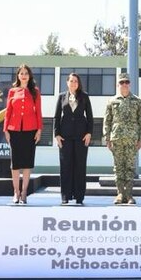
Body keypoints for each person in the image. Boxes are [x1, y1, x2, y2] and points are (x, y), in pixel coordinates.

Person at [103, 73, 141, 205]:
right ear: (118, 85)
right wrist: (107, 138)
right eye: (122, 82)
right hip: (117, 139)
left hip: (132, 139)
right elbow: (107, 121)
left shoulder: (137, 101)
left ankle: (129, 194)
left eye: (126, 82)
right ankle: (120, 193)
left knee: (130, 167)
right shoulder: (112, 101)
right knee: (118, 167)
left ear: (130, 84)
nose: (124, 84)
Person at [4, 64, 42, 204]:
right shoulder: (12, 91)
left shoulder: (35, 91)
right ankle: (16, 191)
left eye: (26, 73)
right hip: (14, 130)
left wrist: (39, 129)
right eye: (21, 73)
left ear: (29, 75)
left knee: (27, 163)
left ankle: (25, 192)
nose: (24, 75)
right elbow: (8, 111)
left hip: (30, 130)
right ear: (18, 75)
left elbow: (38, 111)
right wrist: (6, 129)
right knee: (15, 163)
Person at [54, 73, 94, 205]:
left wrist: (89, 133)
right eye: (71, 81)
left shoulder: (84, 96)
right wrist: (57, 134)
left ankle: (79, 197)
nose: (73, 83)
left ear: (78, 83)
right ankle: (65, 196)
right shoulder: (61, 97)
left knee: (80, 166)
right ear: (67, 82)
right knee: (65, 166)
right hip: (65, 138)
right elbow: (56, 117)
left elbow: (90, 117)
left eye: (76, 81)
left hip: (81, 137)